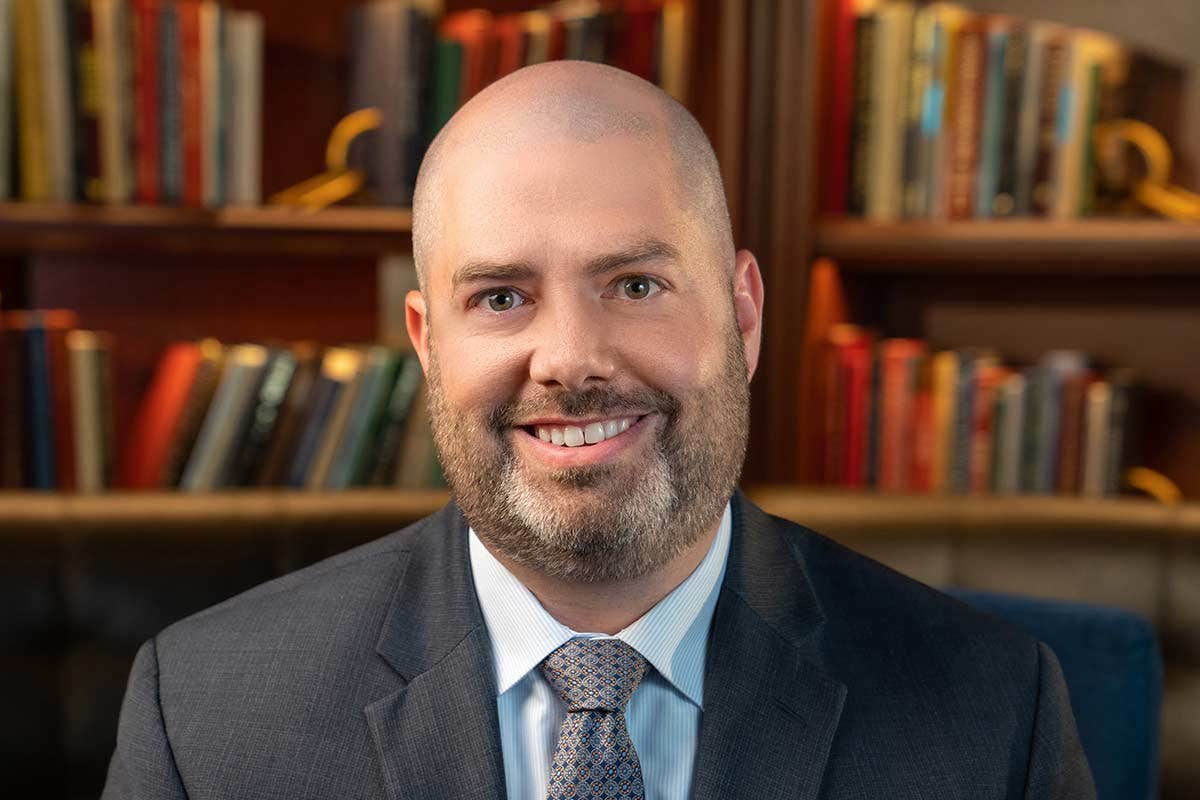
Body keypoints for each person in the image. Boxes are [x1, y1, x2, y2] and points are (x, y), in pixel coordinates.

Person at [102, 61, 1095, 800]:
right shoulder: (205, 715)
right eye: (500, 295)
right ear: (427, 344)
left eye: (636, 283)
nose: (569, 357)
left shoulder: (993, 711)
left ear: (743, 316)